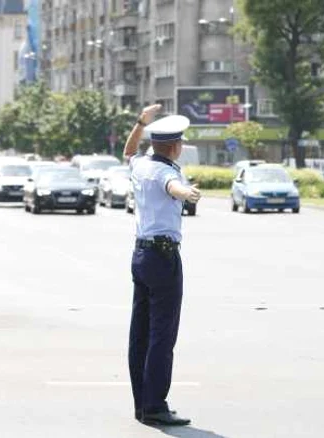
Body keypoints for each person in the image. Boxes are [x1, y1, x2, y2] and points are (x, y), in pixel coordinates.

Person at [122, 104, 201, 426]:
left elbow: (128, 150)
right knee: (162, 335)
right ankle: (155, 404)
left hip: (141, 255)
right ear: (175, 146)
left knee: (140, 332)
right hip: (163, 257)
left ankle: (142, 404)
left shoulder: (141, 164)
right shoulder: (165, 171)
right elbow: (173, 187)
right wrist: (188, 192)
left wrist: (141, 121)